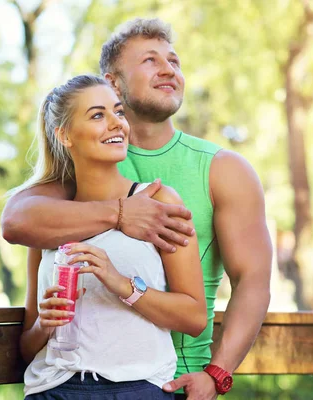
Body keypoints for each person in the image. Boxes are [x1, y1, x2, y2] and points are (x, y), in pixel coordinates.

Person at [2, 18, 272, 399]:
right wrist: (122, 214)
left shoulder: (224, 170)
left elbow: (253, 282)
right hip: (66, 383)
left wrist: (217, 373)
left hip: (175, 384)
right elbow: (16, 222)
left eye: (174, 61)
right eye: (150, 60)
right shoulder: (79, 171)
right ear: (113, 82)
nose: (168, 69)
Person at [16, 74, 207, 399]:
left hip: (138, 389)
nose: (117, 124)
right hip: (53, 389)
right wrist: (44, 326)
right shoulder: (49, 220)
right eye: (97, 115)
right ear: (65, 135)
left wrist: (121, 284)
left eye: (118, 112)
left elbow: (194, 316)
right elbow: (26, 346)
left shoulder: (159, 202)